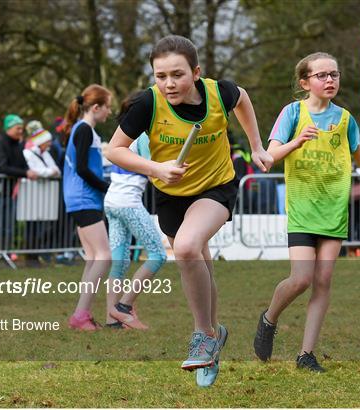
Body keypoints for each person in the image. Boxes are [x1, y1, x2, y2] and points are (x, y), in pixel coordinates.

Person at [106, 35, 273, 387]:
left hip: (216, 187)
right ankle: (214, 338)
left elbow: (242, 98)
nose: (169, 83)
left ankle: (202, 335)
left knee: (184, 248)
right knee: (199, 259)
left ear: (195, 72)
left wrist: (256, 145)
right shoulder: (147, 105)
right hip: (171, 194)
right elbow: (114, 150)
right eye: (161, 75)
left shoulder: (219, 93)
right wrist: (156, 168)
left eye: (177, 75)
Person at [253, 52, 360, 372]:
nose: (330, 80)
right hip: (302, 206)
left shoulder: (345, 118)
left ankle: (306, 354)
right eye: (322, 75)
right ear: (305, 82)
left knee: (323, 279)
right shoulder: (292, 112)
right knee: (301, 279)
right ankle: (269, 318)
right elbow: (270, 157)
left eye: (334, 75)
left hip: (333, 208)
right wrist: (298, 141)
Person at [104, 93, 167, 330]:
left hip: (111, 203)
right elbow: (155, 172)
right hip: (128, 204)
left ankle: (112, 321)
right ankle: (124, 308)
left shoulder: (121, 135)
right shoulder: (143, 136)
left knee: (118, 263)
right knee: (158, 255)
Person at [63, 84, 112, 331]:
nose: (109, 112)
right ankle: (80, 314)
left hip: (80, 199)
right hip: (84, 199)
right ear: (96, 107)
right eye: (107, 107)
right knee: (105, 256)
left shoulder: (83, 130)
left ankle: (82, 314)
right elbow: (82, 168)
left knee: (93, 257)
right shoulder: (83, 130)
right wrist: (106, 187)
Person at [0, 114, 38, 249]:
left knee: (8, 225)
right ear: (9, 128)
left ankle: (6, 252)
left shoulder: (18, 144)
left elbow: (21, 163)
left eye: (22, 129)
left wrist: (29, 170)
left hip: (10, 191)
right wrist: (25, 173)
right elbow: (1, 167)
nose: (21, 131)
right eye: (18, 128)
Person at [23, 126, 61, 266]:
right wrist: (49, 171)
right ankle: (30, 257)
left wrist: (48, 171)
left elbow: (56, 169)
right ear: (40, 141)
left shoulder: (45, 153)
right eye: (47, 141)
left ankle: (36, 255)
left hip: (42, 195)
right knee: (32, 226)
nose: (50, 144)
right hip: (31, 194)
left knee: (41, 224)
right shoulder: (28, 153)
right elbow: (39, 171)